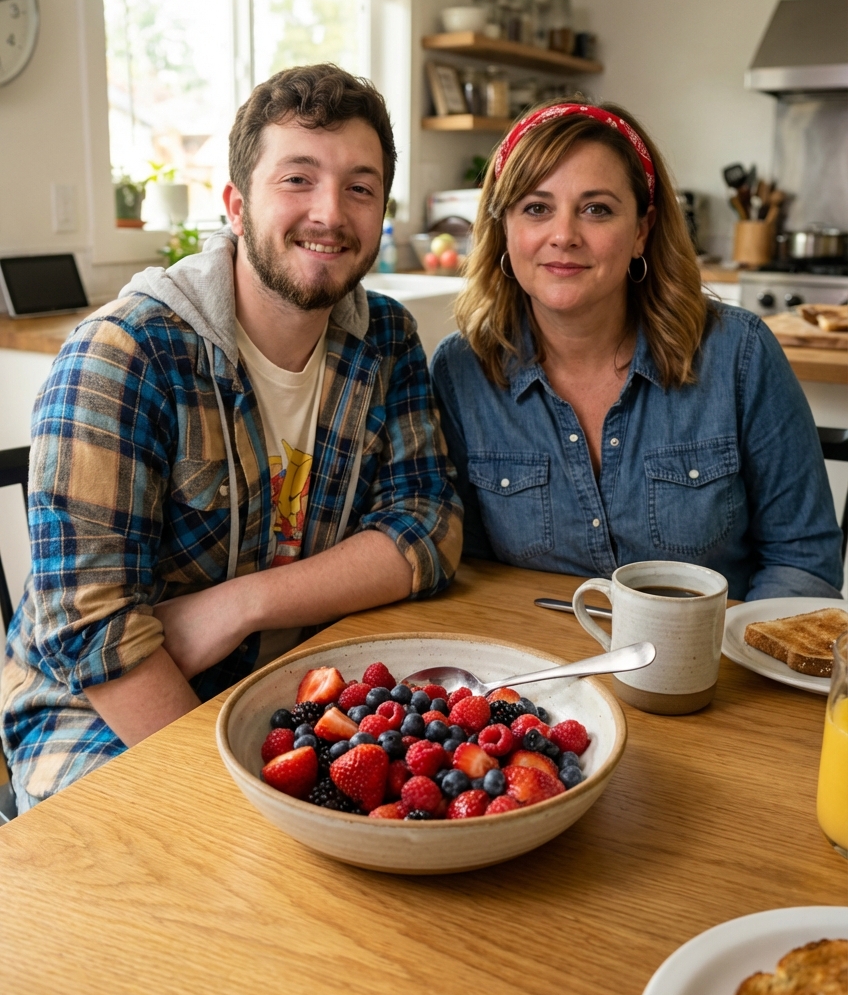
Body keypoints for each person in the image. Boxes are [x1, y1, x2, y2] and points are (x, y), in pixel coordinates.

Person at [1, 64, 462, 811]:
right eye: (298, 179)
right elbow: (95, 633)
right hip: (102, 709)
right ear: (237, 207)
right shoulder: (125, 355)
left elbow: (428, 528)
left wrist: (239, 604)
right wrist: (236, 805)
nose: (330, 213)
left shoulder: (385, 341)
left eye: (360, 187)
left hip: (293, 685)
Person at [431, 99, 843, 601]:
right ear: (504, 230)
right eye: (536, 208)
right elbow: (468, 571)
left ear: (641, 232)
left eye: (596, 209)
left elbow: (803, 560)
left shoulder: (739, 354)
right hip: (540, 671)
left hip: (713, 667)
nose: (563, 235)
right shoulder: (460, 371)